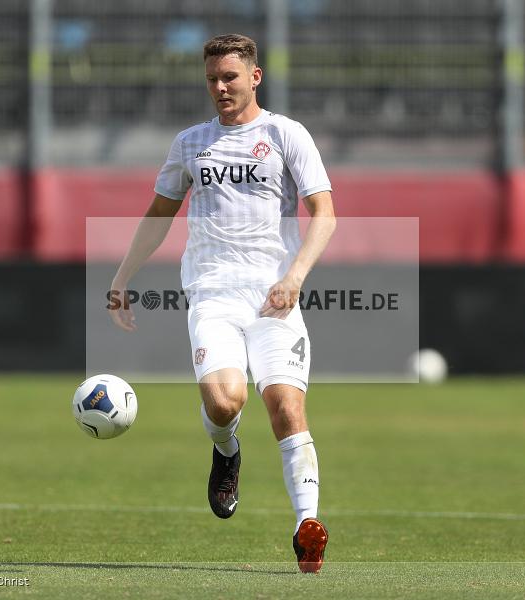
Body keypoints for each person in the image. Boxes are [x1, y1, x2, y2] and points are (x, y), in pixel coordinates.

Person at [108, 33, 336, 573]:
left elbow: (324, 214)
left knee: (286, 407)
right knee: (224, 403)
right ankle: (227, 448)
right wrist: (122, 277)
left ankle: (307, 527)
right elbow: (159, 214)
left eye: (230, 77)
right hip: (212, 293)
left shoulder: (285, 134)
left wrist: (295, 277)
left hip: (275, 297)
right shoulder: (191, 142)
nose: (220, 87)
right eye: (212, 79)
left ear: (255, 77)